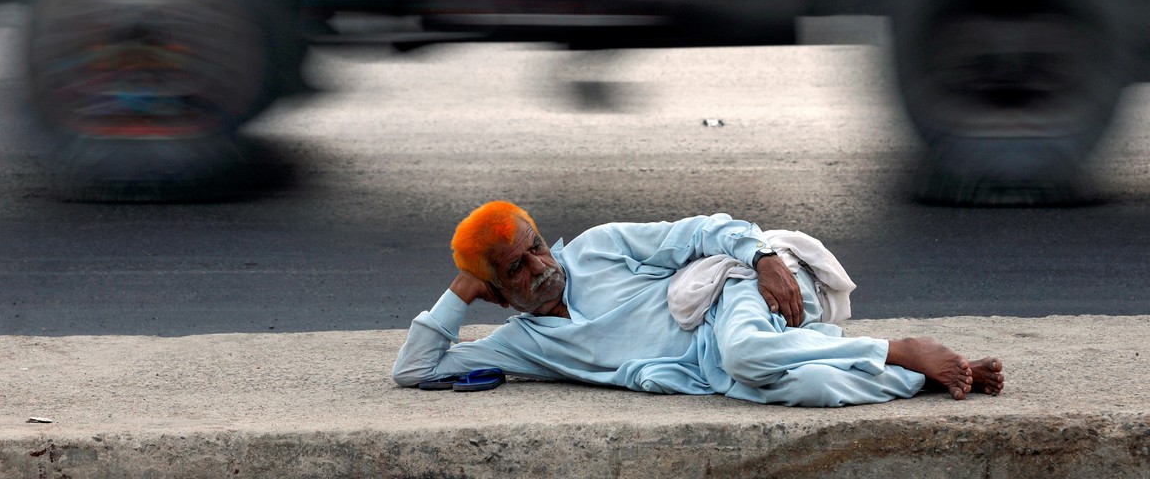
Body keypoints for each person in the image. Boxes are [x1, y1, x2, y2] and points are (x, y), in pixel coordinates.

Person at [393, 201, 1003, 406]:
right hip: (708, 367)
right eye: (516, 269)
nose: (540, 265)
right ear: (498, 294)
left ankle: (903, 348)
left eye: (535, 249)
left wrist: (762, 257)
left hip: (730, 295)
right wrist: (458, 291)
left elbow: (697, 231)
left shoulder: (597, 248)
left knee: (746, 351)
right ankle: (917, 377)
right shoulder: (521, 344)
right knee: (800, 388)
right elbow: (414, 370)